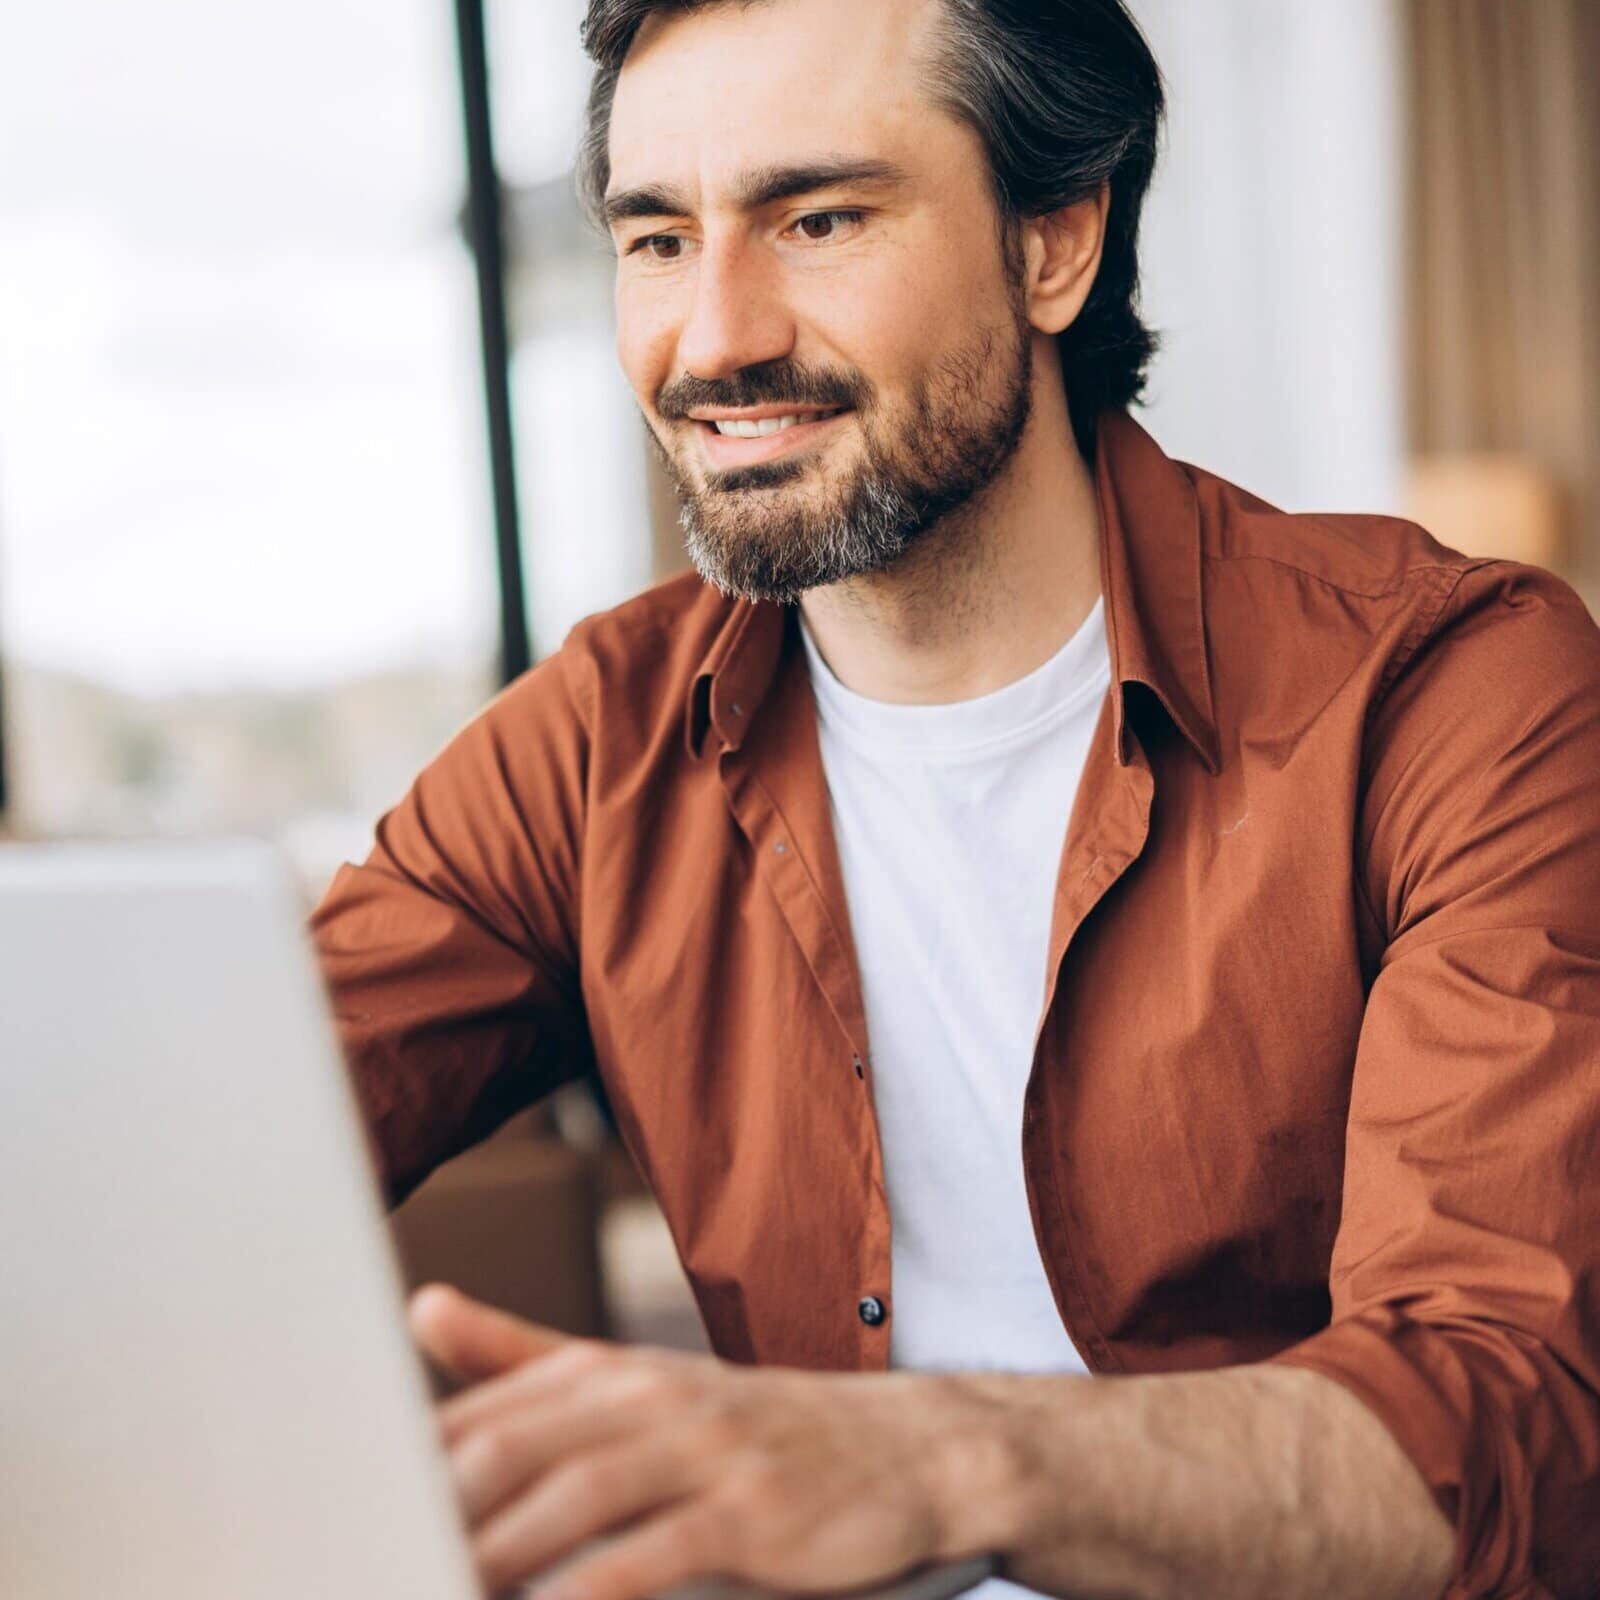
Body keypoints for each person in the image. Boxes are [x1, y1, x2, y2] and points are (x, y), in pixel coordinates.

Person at [310, 1, 1600, 1596]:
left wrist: (938, 1461)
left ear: (1054, 242)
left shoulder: (1453, 689)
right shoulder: (598, 739)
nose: (712, 338)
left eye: (821, 217)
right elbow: (199, 1134)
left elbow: (1501, 1431)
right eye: (656, 238)